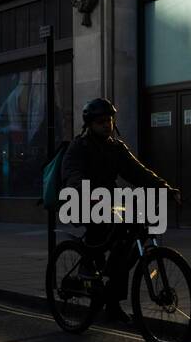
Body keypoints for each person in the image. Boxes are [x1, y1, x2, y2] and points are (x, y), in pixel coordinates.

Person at [60, 97, 179, 323]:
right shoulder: (79, 146)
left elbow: (138, 172)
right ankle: (87, 265)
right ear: (90, 125)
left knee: (129, 242)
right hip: (81, 200)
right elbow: (72, 174)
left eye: (110, 120)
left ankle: (113, 302)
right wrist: (88, 194)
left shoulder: (116, 148)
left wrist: (165, 188)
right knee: (101, 231)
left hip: (110, 201)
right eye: (101, 121)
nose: (107, 125)